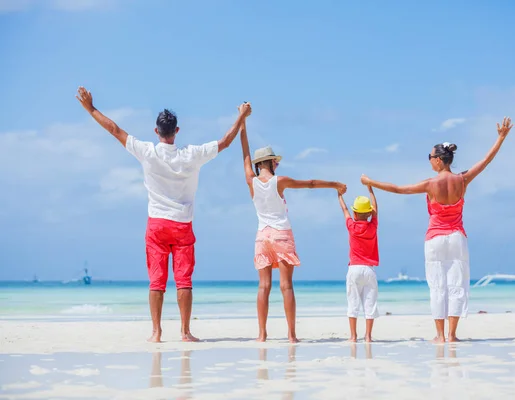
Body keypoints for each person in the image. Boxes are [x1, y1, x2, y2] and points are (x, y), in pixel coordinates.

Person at [76, 86, 251, 342]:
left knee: (157, 282)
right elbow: (225, 142)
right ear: (176, 131)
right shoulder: (191, 155)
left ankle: (156, 332)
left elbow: (115, 130)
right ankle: (185, 331)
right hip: (182, 225)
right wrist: (241, 116)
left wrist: (90, 108)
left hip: (157, 225)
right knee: (184, 281)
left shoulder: (147, 151)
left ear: (156, 131)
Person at [361, 117, 514, 343]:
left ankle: (440, 335)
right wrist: (500, 138)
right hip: (457, 239)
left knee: (437, 287)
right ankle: (452, 335)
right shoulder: (462, 180)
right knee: (457, 286)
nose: (429, 161)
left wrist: (370, 182)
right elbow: (485, 161)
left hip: (434, 240)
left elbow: (397, 189)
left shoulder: (430, 184)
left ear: (440, 161)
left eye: (431, 157)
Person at [238, 116, 346, 343]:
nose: (277, 165)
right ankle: (291, 335)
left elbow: (245, 152)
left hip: (262, 236)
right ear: (268, 162)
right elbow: (311, 184)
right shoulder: (280, 181)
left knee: (263, 285)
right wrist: (335, 184)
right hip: (280, 233)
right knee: (286, 286)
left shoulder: (251, 180)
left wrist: (242, 122)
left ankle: (261, 334)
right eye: (275, 162)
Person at [337, 187, 380, 342]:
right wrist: (371, 190)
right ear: (369, 213)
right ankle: (368, 336)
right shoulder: (372, 227)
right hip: (369, 270)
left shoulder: (352, 226)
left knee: (353, 303)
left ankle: (353, 336)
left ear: (355, 214)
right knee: (370, 304)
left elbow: (344, 209)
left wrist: (339, 195)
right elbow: (376, 210)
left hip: (354, 269)